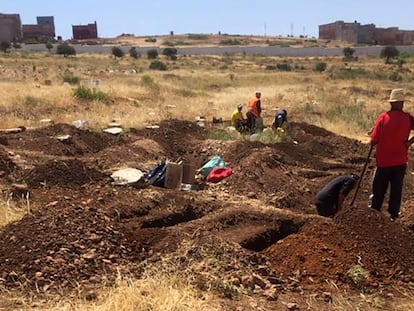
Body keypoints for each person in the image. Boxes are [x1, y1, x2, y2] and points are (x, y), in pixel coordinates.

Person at [368, 88, 414, 221]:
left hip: (383, 161)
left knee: (378, 188)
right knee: (396, 189)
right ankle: (394, 215)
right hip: (400, 161)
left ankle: (374, 212)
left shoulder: (383, 117)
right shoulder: (407, 118)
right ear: (402, 103)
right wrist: (409, 143)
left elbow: (373, 141)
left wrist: (373, 134)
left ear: (391, 103)